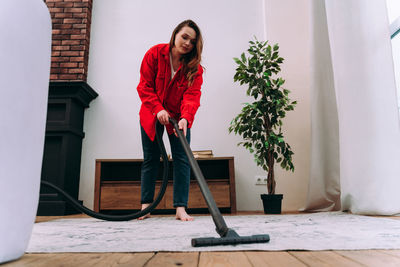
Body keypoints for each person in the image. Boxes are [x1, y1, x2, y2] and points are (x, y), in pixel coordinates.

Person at [136, 20, 204, 221]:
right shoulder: (154, 54)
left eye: (192, 41)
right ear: (175, 34)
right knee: (151, 158)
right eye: (184, 37)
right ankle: (146, 206)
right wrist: (158, 109)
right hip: (151, 112)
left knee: (182, 159)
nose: (187, 43)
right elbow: (144, 86)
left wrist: (185, 118)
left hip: (178, 118)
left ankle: (180, 208)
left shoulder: (195, 68)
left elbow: (192, 95)